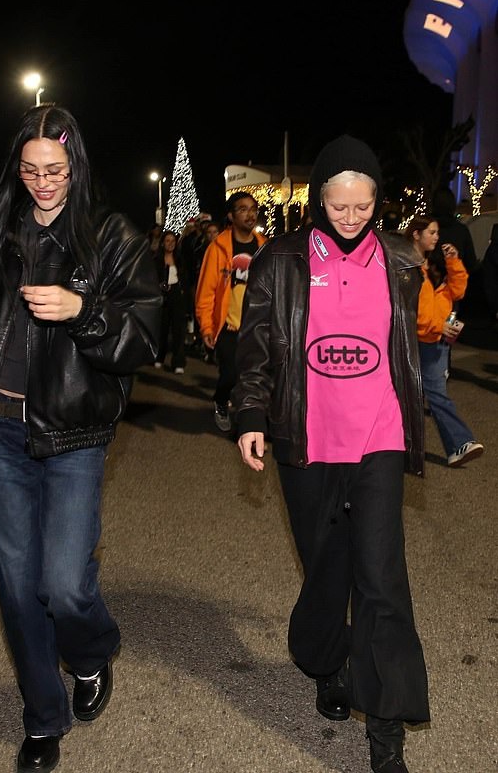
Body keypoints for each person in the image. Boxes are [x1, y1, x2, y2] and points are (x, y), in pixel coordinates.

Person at [0, 103, 162, 773]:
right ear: (15, 171)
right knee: (20, 591)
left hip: (75, 432)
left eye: (56, 169)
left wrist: (86, 311)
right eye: (30, 170)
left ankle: (91, 650)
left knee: (64, 586)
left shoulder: (111, 239)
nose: (44, 183)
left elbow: (148, 336)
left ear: (76, 165)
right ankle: (42, 719)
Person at [233, 135, 430, 773]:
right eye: (338, 206)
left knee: (381, 577)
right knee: (325, 566)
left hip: (379, 436)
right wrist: (250, 415)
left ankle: (387, 731)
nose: (350, 218)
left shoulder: (400, 259)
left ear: (377, 201)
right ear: (319, 199)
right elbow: (257, 345)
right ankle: (324, 660)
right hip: (308, 439)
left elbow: (416, 337)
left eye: (362, 206)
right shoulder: (279, 260)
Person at [404, 216, 484, 467]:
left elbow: (457, 291)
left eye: (437, 232)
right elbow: (411, 311)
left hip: (436, 340)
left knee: (429, 393)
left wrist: (453, 261)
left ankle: (454, 445)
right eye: (432, 232)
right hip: (420, 340)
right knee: (420, 394)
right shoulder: (408, 267)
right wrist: (440, 326)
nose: (437, 237)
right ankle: (458, 444)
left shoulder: (433, 263)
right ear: (416, 234)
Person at [195, 192, 266, 432]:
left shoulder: (263, 246)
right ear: (231, 215)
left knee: (255, 377)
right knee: (230, 375)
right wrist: (206, 326)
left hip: (255, 327)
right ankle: (220, 401)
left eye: (253, 208)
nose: (250, 213)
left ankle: (249, 419)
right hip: (228, 326)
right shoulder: (218, 248)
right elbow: (206, 291)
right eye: (243, 209)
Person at [153, 229, 187, 373]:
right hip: (162, 296)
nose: (170, 244)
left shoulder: (180, 259)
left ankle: (178, 362)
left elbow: (185, 278)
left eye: (173, 241)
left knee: (178, 329)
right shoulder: (156, 259)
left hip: (176, 295)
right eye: (167, 241)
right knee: (162, 328)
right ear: (162, 243)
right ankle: (159, 356)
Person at [431, 187, 478, 277]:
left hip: (430, 283)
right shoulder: (461, 230)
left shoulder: (427, 228)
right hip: (456, 280)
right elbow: (471, 263)